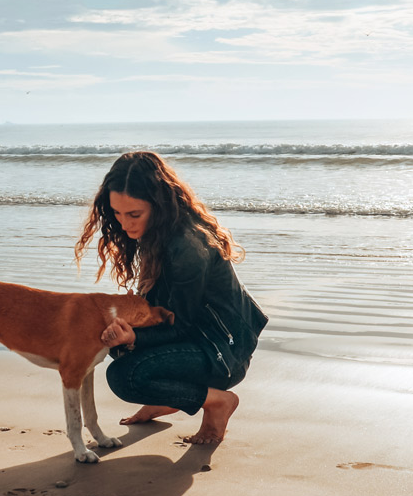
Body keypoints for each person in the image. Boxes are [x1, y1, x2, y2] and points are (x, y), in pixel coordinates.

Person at [75, 151, 268, 445]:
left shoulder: (187, 247)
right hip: (199, 340)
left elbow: (182, 326)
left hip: (223, 353)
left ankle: (218, 402)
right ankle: (168, 398)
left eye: (133, 214)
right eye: (117, 213)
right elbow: (163, 312)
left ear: (159, 205)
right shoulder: (158, 232)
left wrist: (134, 339)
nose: (124, 224)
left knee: (125, 377)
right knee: (111, 340)